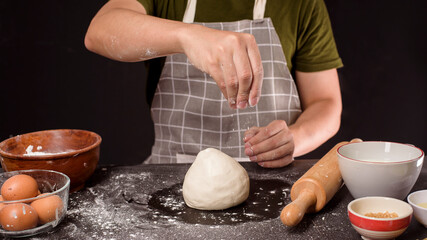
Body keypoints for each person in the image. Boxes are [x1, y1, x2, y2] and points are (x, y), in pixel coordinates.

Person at [84, 0, 343, 168]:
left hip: (273, 176)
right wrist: (186, 36)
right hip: (172, 176)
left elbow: (326, 103)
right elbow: (100, 31)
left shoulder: (302, 5)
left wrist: (293, 139)